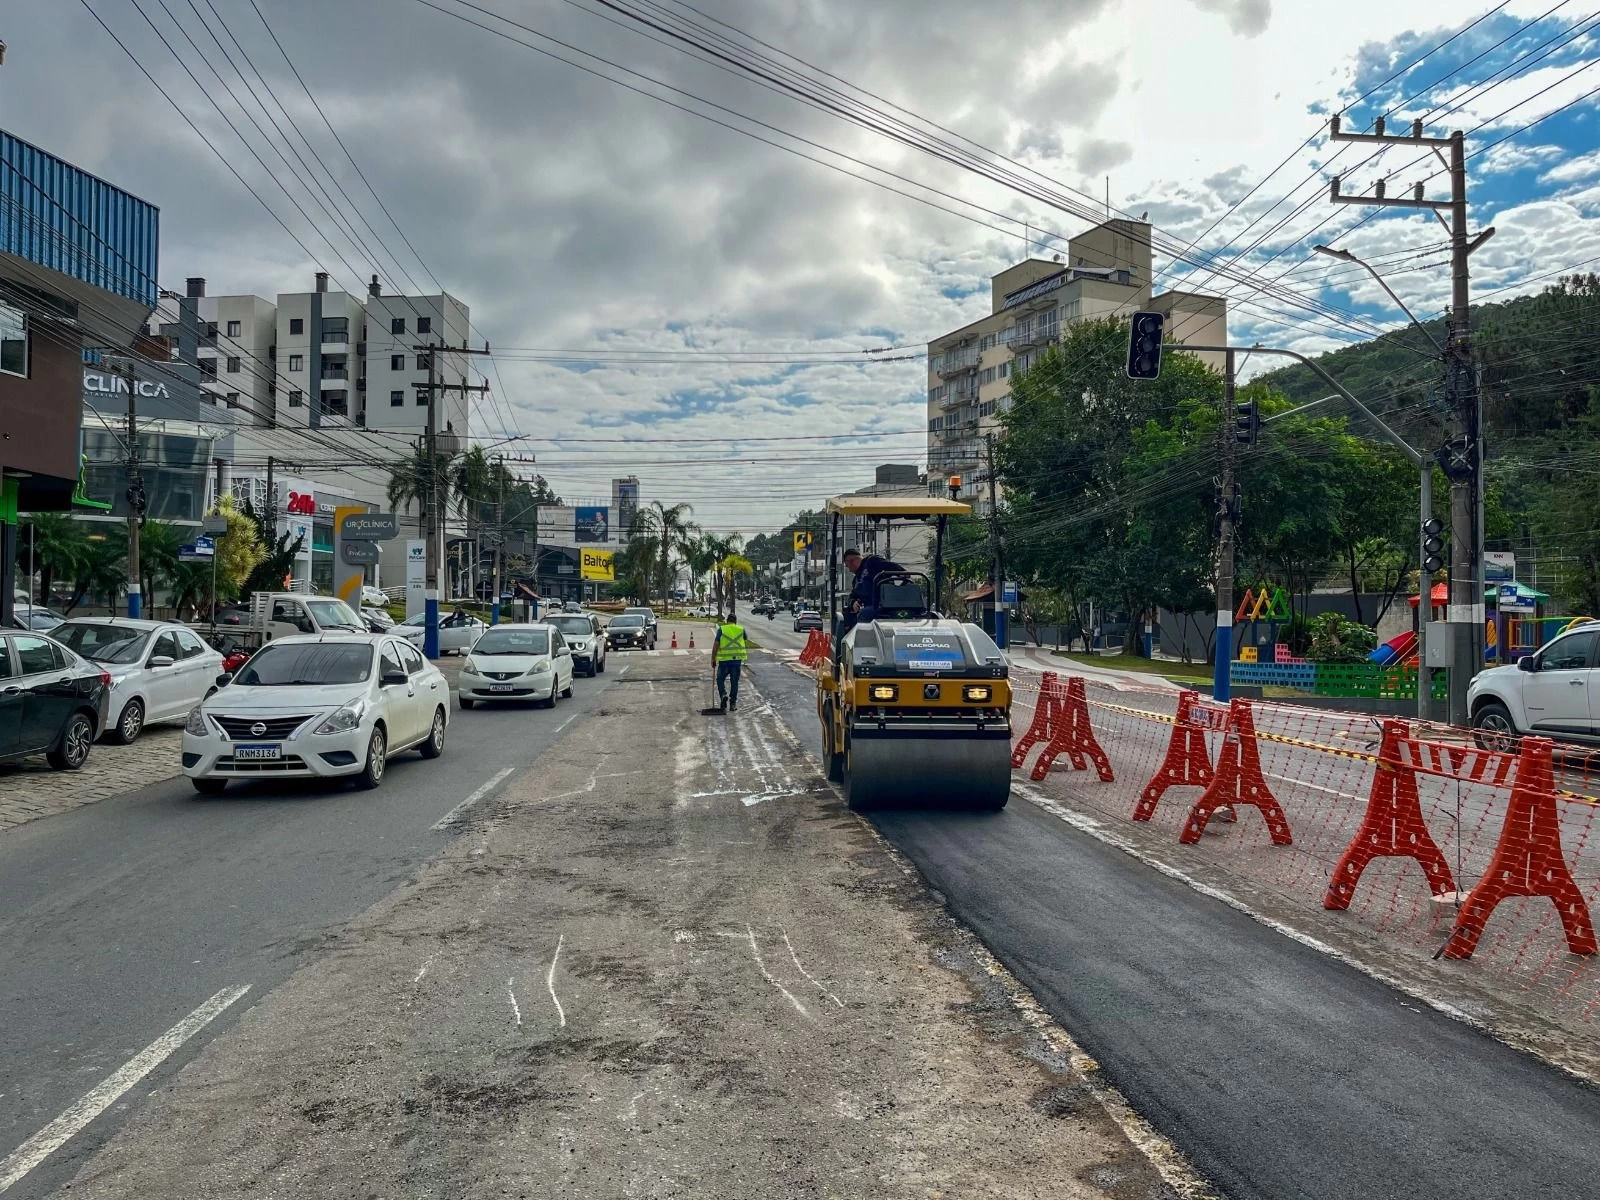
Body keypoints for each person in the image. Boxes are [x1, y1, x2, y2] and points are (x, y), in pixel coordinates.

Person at [840, 548, 903, 634]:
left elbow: (893, 567)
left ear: (851, 561)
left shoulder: (871, 561)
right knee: (848, 616)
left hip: (882, 605)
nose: (848, 569)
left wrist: (902, 574)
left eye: (847, 565)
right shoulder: (856, 580)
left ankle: (863, 643)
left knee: (864, 614)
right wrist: (853, 602)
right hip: (867, 607)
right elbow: (852, 597)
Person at [712, 610, 749, 712]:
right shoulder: (741, 629)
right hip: (736, 661)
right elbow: (745, 638)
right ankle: (732, 704)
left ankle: (723, 694)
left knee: (720, 679)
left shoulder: (722, 629)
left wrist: (713, 658)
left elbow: (716, 644)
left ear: (727, 621)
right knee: (734, 682)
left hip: (724, 661)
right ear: (735, 621)